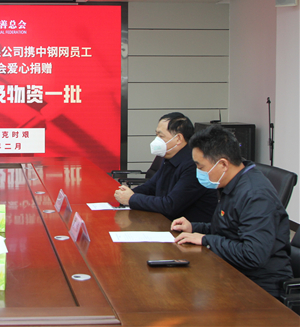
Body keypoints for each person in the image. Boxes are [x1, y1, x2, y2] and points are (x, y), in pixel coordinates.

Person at [172, 125, 293, 298]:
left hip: (260, 289)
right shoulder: (232, 183)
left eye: (200, 167)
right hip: (232, 270)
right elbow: (229, 229)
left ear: (223, 164)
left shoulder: (255, 195)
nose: (198, 172)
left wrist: (206, 240)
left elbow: (252, 255)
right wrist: (194, 228)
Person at [114, 112, 217, 222]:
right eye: (156, 135)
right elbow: (151, 186)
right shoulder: (169, 158)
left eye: (161, 136)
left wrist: (132, 198)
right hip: (165, 222)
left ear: (178, 139)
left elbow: (170, 205)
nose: (156, 140)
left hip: (189, 229)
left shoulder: (194, 165)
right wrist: (128, 193)